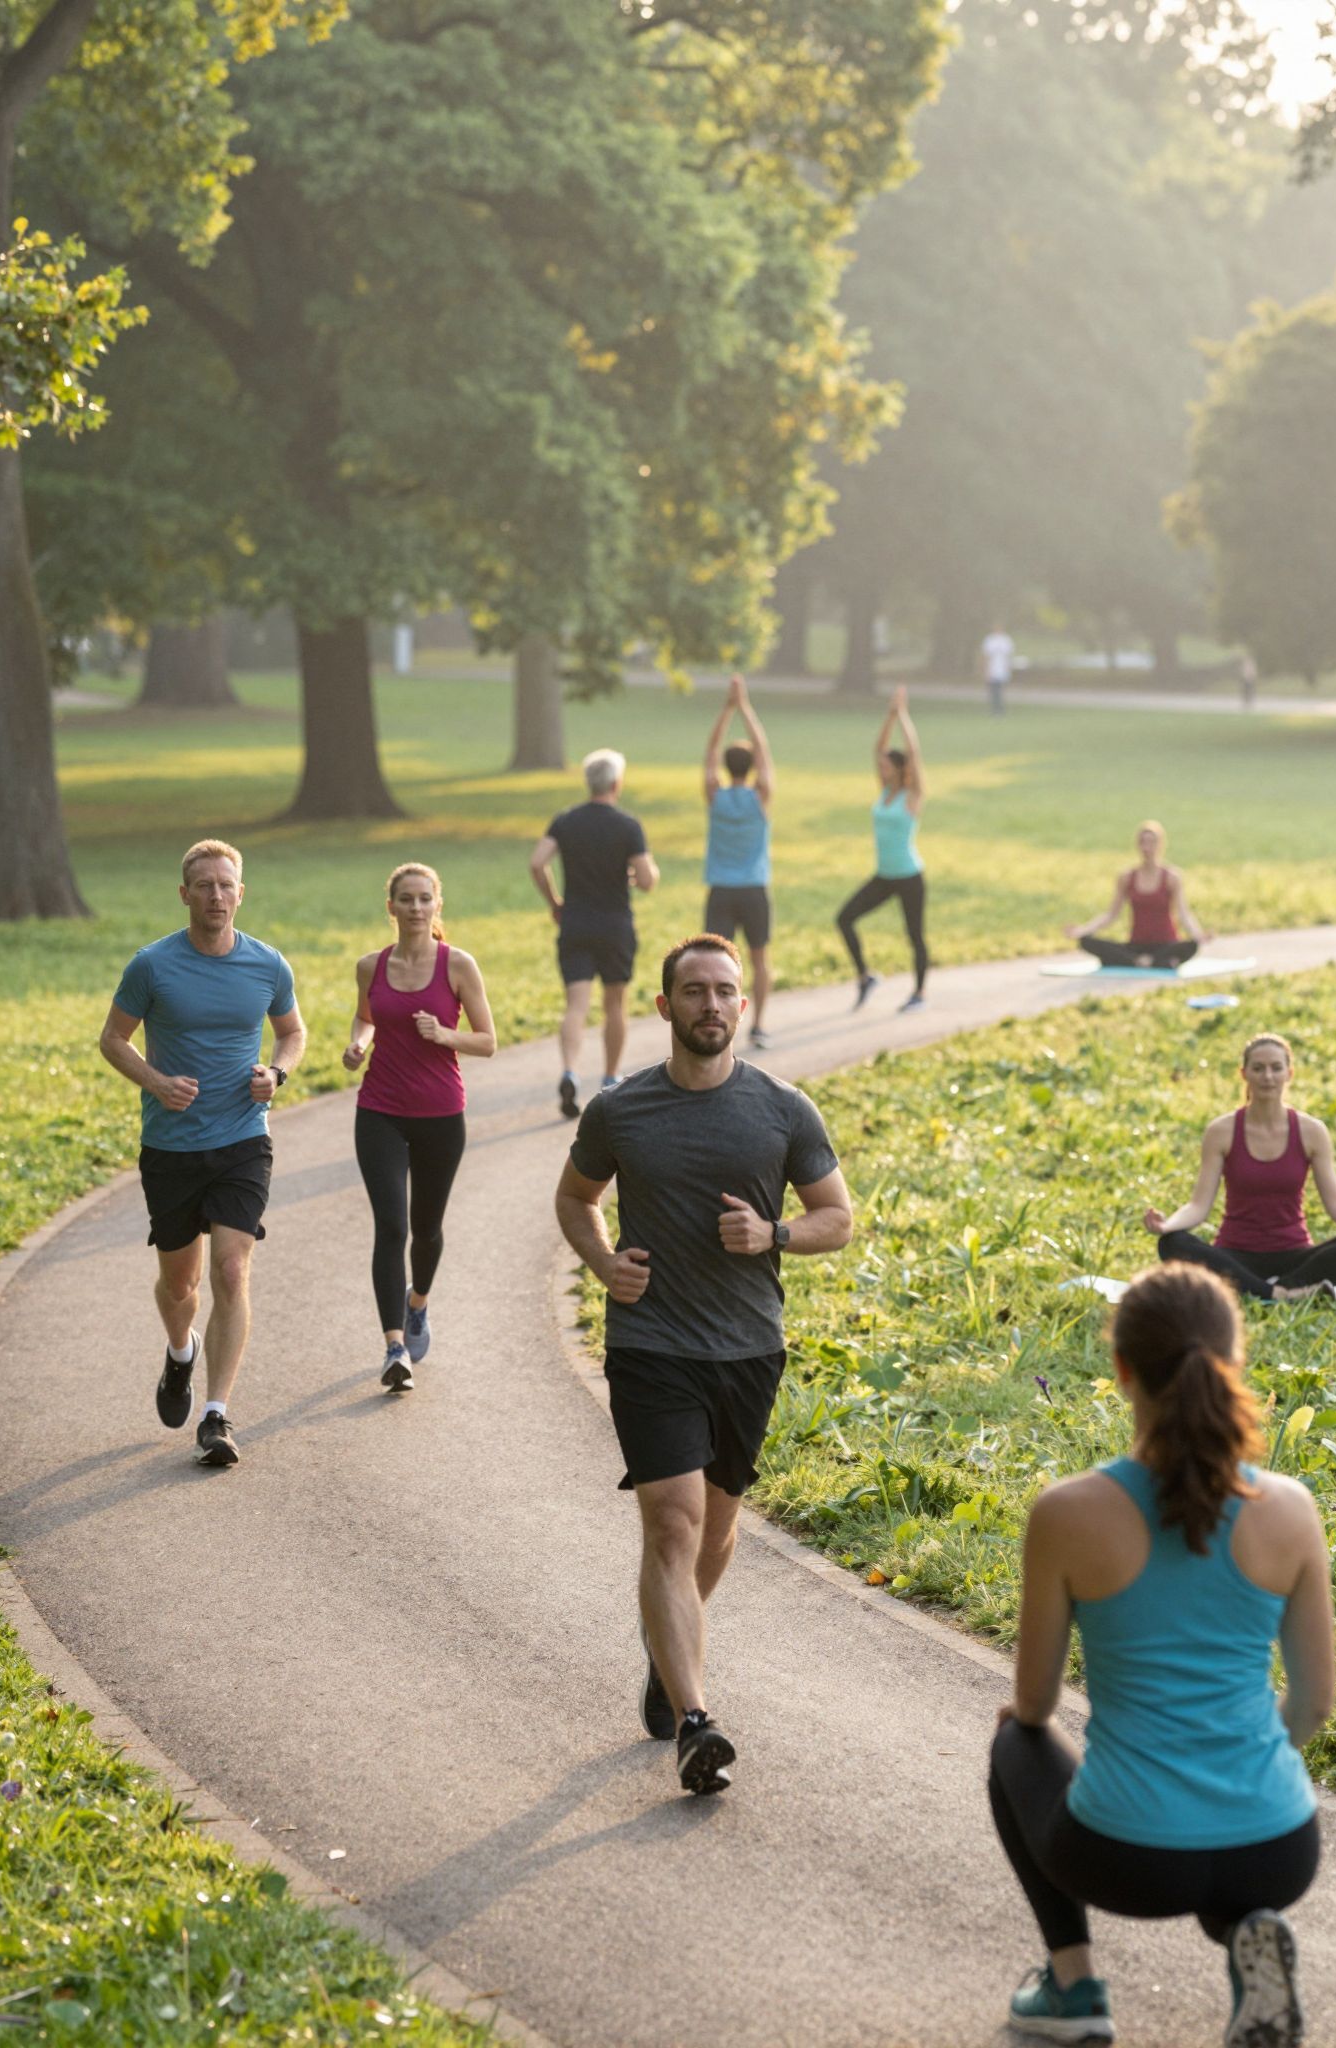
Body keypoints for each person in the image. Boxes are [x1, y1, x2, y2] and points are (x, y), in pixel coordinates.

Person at [989, 1260, 1333, 2047]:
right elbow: (1313, 1702)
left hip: (1127, 1859)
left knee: (1014, 1740)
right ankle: (1251, 1933)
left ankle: (1074, 1993)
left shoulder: (1068, 1513)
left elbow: (1035, 1706)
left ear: (1120, 1371)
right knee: (1224, 1848)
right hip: (1278, 1847)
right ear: (1233, 1362)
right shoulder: (1290, 1510)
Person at [554, 935, 853, 1795]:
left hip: (750, 1347)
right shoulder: (620, 1111)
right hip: (651, 1346)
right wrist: (605, 1265)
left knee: (718, 1532)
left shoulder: (783, 1109)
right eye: (694, 992)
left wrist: (776, 1235)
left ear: (743, 1007)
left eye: (725, 991)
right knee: (675, 1524)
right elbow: (575, 1201)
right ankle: (696, 1721)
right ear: (664, 1006)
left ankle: (666, 1649)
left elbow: (838, 1216)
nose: (711, 1006)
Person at [99, 840, 306, 1468]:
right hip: (171, 1147)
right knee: (180, 1282)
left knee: (232, 1271)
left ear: (241, 893)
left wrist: (278, 1071)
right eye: (204, 886)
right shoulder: (152, 966)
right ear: (184, 893)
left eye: (227, 885)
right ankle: (181, 1351)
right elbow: (112, 1040)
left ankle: (216, 1415)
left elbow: (293, 1032)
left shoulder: (268, 964)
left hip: (244, 1137)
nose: (217, 896)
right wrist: (156, 1083)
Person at [343, 863, 496, 1392]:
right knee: (392, 1227)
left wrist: (444, 1036)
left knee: (426, 1228)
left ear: (437, 906)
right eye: (404, 899)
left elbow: (488, 1040)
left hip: (440, 1114)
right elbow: (366, 1015)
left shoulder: (458, 965)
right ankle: (393, 1346)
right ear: (391, 907)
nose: (414, 908)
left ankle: (418, 1304)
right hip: (380, 1109)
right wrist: (359, 1043)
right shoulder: (370, 966)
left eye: (423, 899)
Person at [1145, 1031, 1336, 1303]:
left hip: (1294, 1256)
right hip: (1235, 1255)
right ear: (1244, 1073)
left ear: (1289, 1073)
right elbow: (1198, 1206)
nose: (1267, 1076)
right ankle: (1279, 1293)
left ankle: (1274, 1288)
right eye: (1258, 1068)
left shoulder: (1312, 1131)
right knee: (1172, 1243)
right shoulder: (1221, 1131)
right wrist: (1168, 1226)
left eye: (1276, 1068)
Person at [529, 749, 658, 1120]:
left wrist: (555, 901)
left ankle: (570, 1070)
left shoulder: (565, 821)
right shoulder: (628, 826)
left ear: (589, 783)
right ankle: (610, 1079)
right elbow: (647, 880)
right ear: (617, 784)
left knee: (576, 1005)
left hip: (576, 924)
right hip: (616, 926)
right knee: (614, 1004)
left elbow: (537, 862)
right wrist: (640, 874)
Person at [835, 685, 929, 1012]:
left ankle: (919, 994)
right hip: (884, 876)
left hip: (909, 876)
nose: (882, 767)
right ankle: (865, 976)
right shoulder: (885, 791)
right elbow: (879, 747)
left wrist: (903, 715)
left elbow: (914, 754)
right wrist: (889, 715)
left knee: (914, 935)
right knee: (844, 919)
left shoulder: (912, 795)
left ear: (901, 769)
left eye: (888, 765)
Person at [702, 672, 775, 1050]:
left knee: (715, 966)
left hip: (721, 890)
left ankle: (718, 1027)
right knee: (759, 959)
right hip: (754, 889)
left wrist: (727, 708)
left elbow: (710, 750)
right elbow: (763, 750)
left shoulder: (715, 797)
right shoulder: (760, 797)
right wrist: (745, 706)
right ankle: (758, 1025)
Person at [1065, 820, 1210, 970]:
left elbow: (1183, 913)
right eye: (1143, 842)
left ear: (1161, 844)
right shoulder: (1126, 877)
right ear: (1137, 845)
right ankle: (1151, 962)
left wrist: (1198, 934)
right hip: (1136, 946)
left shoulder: (1172, 877)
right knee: (1086, 941)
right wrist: (1082, 930)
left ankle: (1140, 961)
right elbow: (1110, 915)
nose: (1147, 848)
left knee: (1191, 946)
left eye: (1151, 843)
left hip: (1166, 945)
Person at [980, 623, 1015, 716]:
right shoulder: (990, 640)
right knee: (993, 691)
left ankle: (1000, 710)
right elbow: (986, 656)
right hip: (992, 669)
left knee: (1001, 690)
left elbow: (1008, 656)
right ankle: (994, 709)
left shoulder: (1006, 640)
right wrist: (985, 670)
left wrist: (1008, 669)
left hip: (1002, 669)